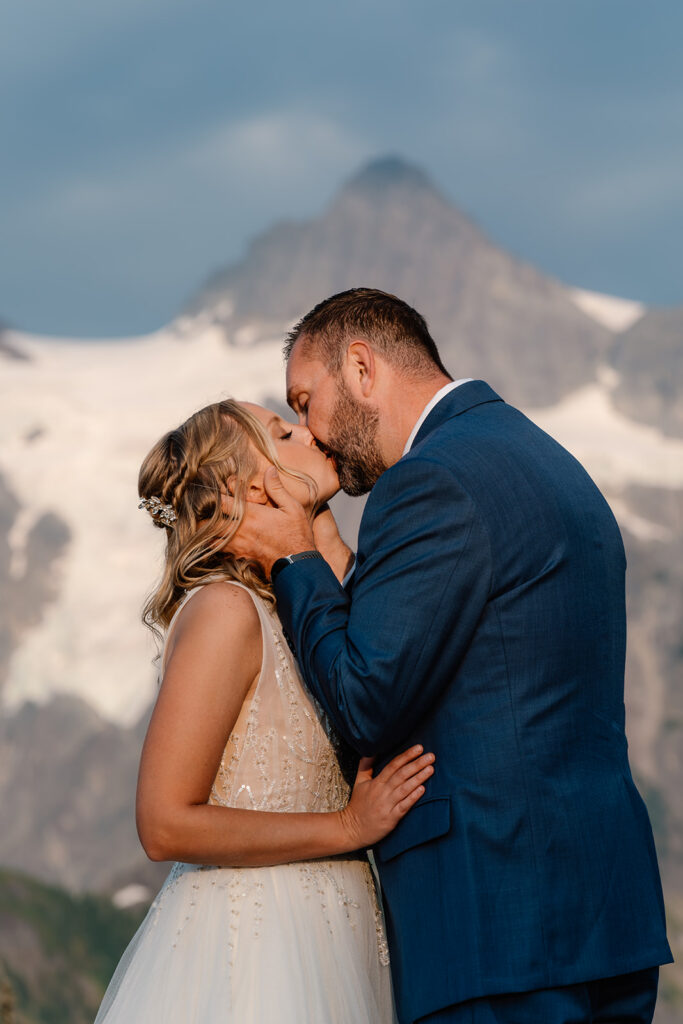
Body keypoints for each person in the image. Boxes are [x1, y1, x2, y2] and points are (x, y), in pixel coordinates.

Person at [227, 288, 673, 1024]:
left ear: (363, 368)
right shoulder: (544, 461)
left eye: (306, 401)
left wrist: (293, 561)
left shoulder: (427, 482)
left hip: (493, 925)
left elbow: (367, 702)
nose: (310, 431)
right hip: (605, 921)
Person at [94, 398, 435, 1023]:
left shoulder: (299, 610)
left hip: (346, 937)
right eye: (282, 430)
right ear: (242, 486)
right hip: (255, 947)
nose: (308, 431)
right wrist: (348, 830)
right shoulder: (225, 611)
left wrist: (317, 538)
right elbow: (164, 822)